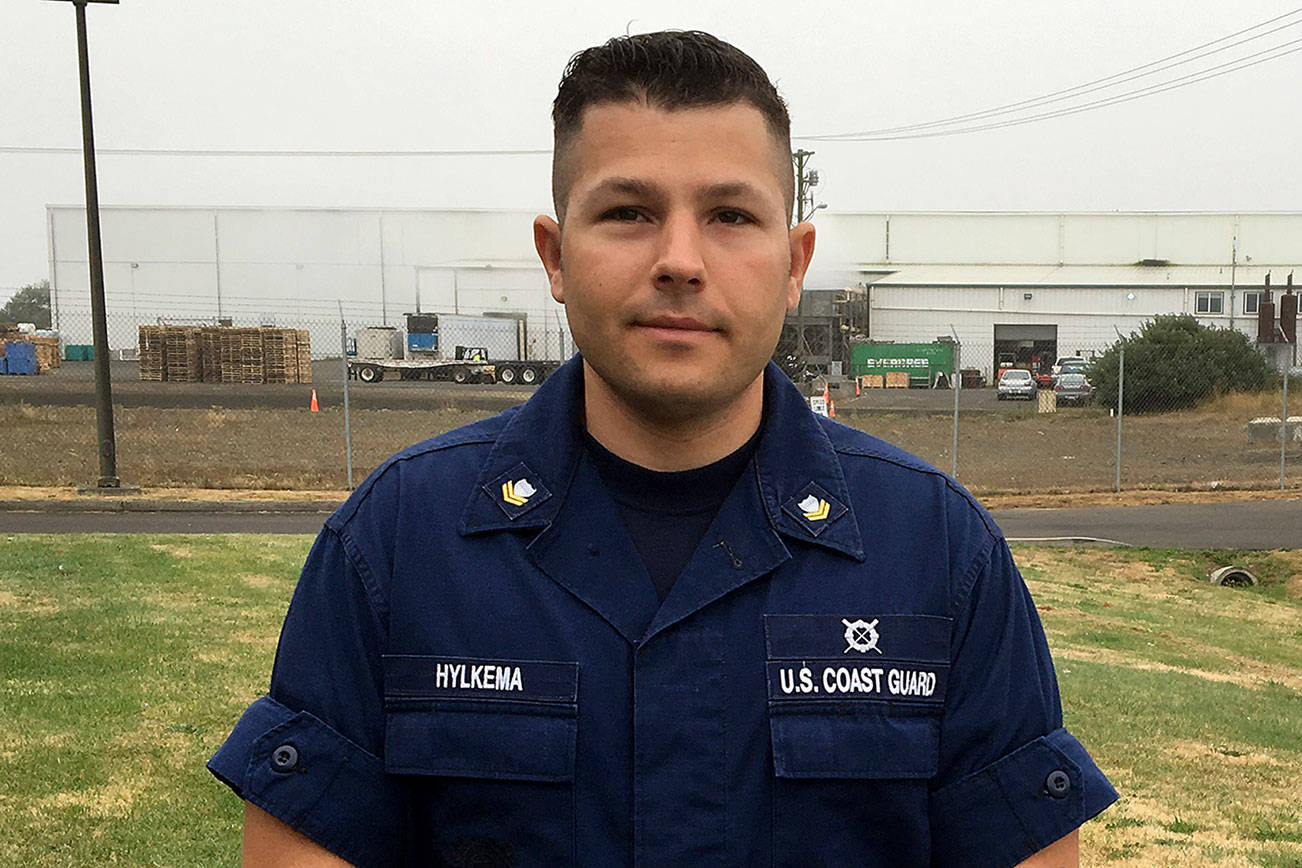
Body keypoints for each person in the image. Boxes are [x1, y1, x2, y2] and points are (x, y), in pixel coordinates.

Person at [210, 30, 1116, 867]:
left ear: (795, 263)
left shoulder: (941, 557)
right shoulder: (396, 547)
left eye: (730, 215)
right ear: (555, 256)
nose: (681, 258)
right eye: (630, 212)